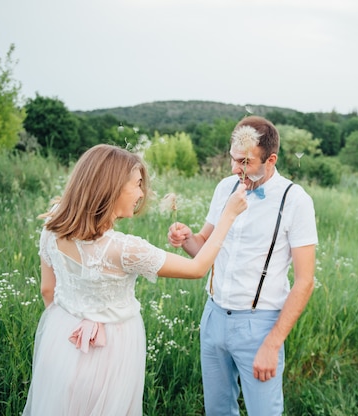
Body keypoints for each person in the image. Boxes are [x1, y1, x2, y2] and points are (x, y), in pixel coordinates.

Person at [22, 144, 247, 415]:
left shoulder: (52, 226)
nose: (142, 193)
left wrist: (77, 316)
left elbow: (48, 290)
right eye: (138, 184)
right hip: (110, 353)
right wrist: (228, 216)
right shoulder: (123, 249)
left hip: (62, 340)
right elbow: (198, 268)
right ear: (112, 187)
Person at [168, 116, 318, 415]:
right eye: (233, 159)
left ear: (271, 159)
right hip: (213, 317)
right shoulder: (225, 188)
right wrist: (186, 238)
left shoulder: (295, 200)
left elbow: (305, 281)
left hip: (259, 325)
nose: (236, 169)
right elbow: (203, 247)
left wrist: (273, 343)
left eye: (245, 162)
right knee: (218, 411)